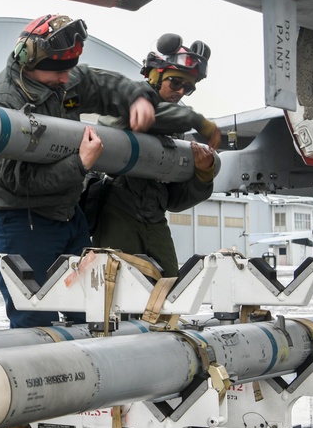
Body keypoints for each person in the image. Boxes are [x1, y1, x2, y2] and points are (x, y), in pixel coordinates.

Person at [0, 13, 156, 428]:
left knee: (86, 320)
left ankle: (80, 426)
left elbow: (98, 81)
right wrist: (80, 164)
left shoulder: (62, 77)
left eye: (67, 69)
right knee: (32, 327)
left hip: (66, 217)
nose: (64, 80)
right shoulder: (1, 103)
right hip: (22, 221)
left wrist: (134, 95)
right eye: (56, 70)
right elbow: (18, 181)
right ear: (29, 61)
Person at [91, 34, 222, 277]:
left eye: (188, 88)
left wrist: (202, 175)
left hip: (154, 221)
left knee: (169, 291)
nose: (181, 92)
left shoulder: (173, 127)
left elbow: (173, 201)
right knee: (119, 295)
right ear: (155, 75)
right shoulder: (127, 101)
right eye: (175, 83)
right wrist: (195, 119)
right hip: (116, 214)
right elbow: (141, 119)